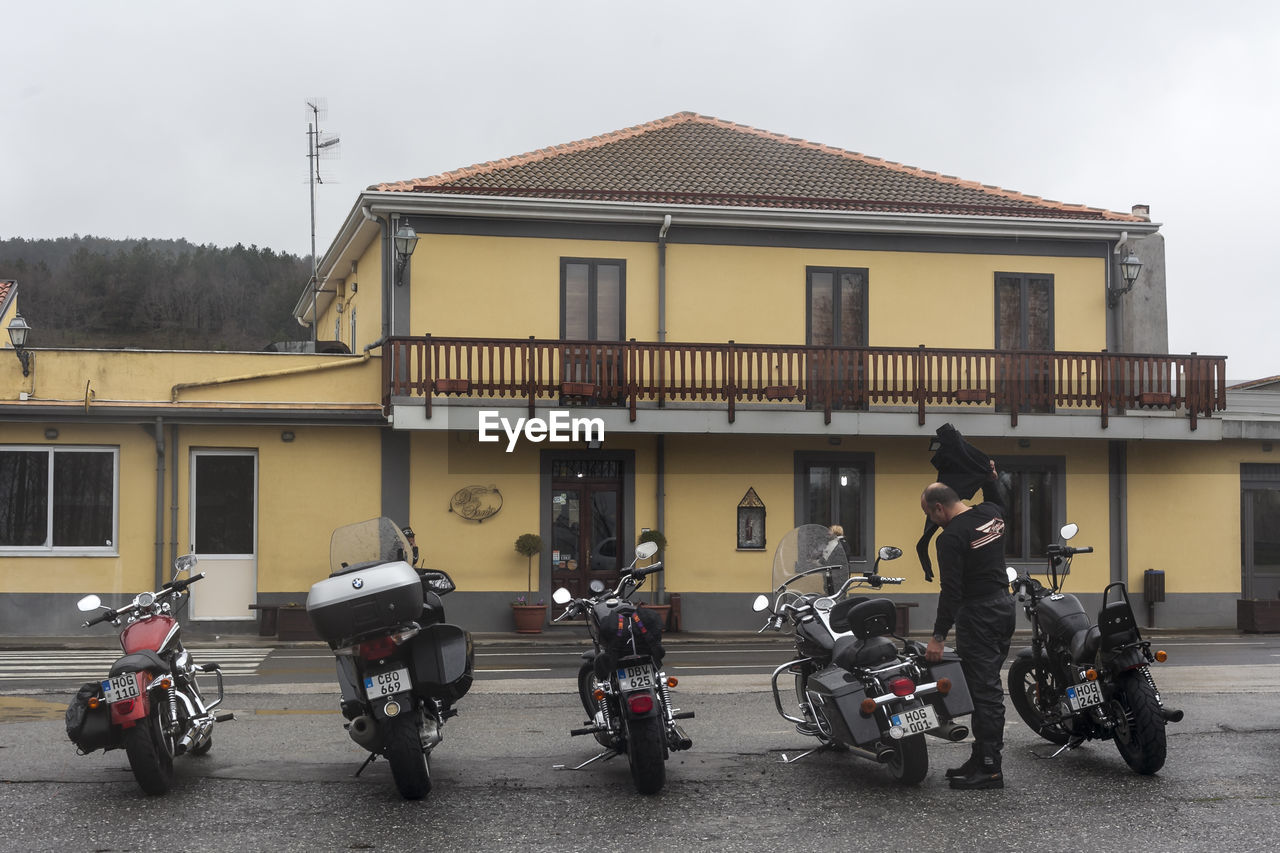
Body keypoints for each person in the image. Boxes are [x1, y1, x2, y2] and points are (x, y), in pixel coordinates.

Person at [920, 460, 1014, 790]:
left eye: (930, 515)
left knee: (985, 692)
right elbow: (1000, 501)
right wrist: (991, 478)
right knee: (981, 686)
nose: (932, 522)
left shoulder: (950, 538)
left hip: (978, 614)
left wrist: (937, 636)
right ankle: (980, 758)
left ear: (938, 509)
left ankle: (990, 767)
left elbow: (952, 592)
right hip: (1004, 607)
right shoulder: (991, 514)